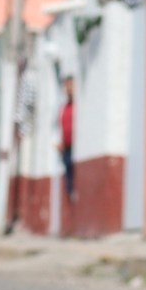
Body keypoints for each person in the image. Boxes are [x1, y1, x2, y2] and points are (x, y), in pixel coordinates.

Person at [59, 74, 77, 202]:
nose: (68, 89)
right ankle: (70, 194)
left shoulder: (77, 106)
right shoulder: (64, 107)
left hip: (75, 147)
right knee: (68, 176)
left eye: (71, 85)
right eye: (67, 86)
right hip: (66, 147)